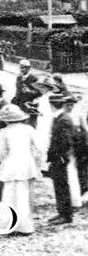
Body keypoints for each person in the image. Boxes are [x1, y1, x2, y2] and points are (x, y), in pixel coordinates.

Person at [0, 103, 42, 235]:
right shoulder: (29, 129)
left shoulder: (3, 132)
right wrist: (36, 162)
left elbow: (1, 152)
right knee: (25, 195)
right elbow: (39, 148)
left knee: (10, 195)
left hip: (11, 164)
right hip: (27, 164)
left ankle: (9, 224)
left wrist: (6, 162)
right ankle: (25, 226)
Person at [46, 89, 83, 225]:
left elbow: (66, 141)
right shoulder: (62, 118)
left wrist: (62, 158)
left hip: (60, 159)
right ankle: (62, 212)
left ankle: (65, 215)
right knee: (60, 186)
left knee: (62, 186)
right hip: (58, 158)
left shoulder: (63, 120)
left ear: (51, 105)